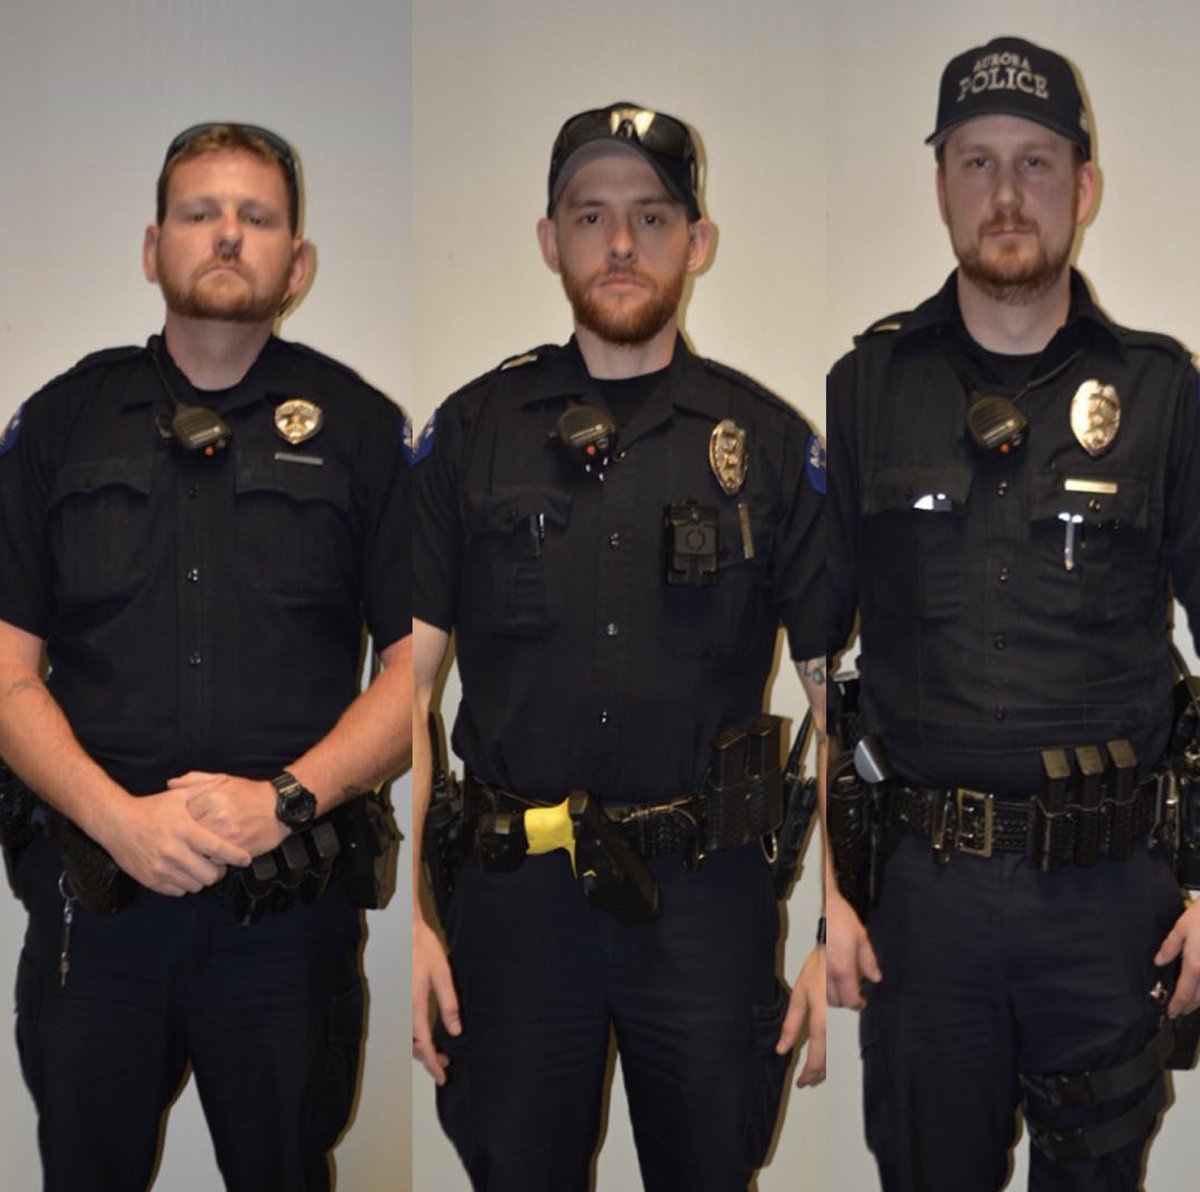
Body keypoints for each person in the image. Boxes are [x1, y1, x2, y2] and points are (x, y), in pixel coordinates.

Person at [411, 102, 826, 1191]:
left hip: (706, 902)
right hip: (516, 898)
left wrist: (843, 919)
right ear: (550, 239)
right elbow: (402, 691)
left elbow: (845, 698)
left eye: (652, 215)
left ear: (699, 241)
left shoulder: (769, 447)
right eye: (591, 215)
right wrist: (409, 914)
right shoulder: (473, 433)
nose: (623, 244)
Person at [0, 122, 412, 1191]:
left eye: (257, 217)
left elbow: (415, 675)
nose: (227, 235)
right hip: (97, 911)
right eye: (200, 213)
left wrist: (286, 798)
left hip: (284, 916)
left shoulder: (363, 431)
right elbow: (3, 671)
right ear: (152, 248)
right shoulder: (61, 423)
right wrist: (115, 820)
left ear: (298, 262)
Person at [827, 35, 1200, 1191]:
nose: (1005, 194)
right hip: (925, 901)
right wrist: (826, 894)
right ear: (941, 184)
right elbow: (809, 654)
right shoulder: (868, 387)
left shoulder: (1163, 390)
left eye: (1036, 163)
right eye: (976, 161)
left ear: (1084, 187)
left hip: (1107, 896)